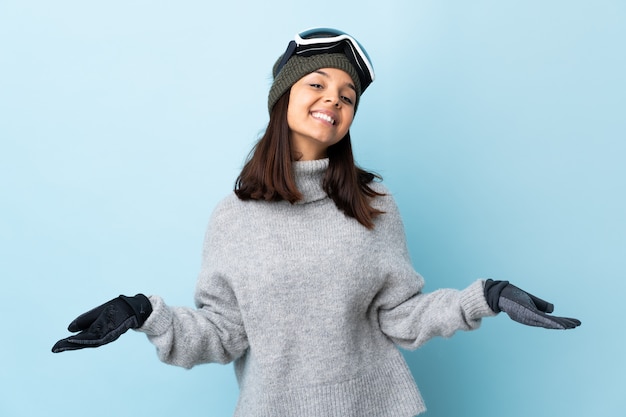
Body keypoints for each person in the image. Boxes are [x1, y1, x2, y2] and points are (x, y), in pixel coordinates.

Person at [52, 28, 581, 417]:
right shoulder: (233, 216)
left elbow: (397, 316)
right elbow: (223, 334)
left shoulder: (372, 202)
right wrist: (145, 313)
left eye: (347, 97)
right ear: (284, 97)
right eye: (318, 84)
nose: (334, 99)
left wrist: (482, 297)